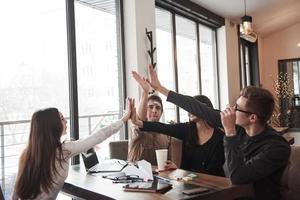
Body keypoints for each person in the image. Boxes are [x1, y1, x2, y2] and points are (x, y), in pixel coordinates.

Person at [139, 64, 291, 200]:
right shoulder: (241, 126)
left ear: (252, 117)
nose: (231, 110)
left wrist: (230, 132)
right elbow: (198, 107)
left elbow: (237, 177)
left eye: (236, 108)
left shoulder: (277, 147)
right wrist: (160, 88)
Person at [12, 98, 134, 200]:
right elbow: (99, 136)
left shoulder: (27, 153)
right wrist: (124, 118)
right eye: (61, 118)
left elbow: (15, 193)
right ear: (52, 126)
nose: (66, 121)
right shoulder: (63, 151)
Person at [130, 92, 225, 176]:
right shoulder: (187, 129)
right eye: (188, 108)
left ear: (204, 109)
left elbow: (213, 171)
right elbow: (164, 127)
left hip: (214, 185)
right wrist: (138, 122)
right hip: (189, 183)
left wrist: (180, 171)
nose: (189, 112)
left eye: (192, 108)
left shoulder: (220, 136)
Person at [127, 71, 170, 165]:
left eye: (158, 108)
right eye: (150, 107)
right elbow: (139, 121)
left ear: (161, 113)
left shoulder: (166, 134)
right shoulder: (137, 128)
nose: (154, 110)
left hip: (160, 176)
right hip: (136, 175)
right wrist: (145, 92)